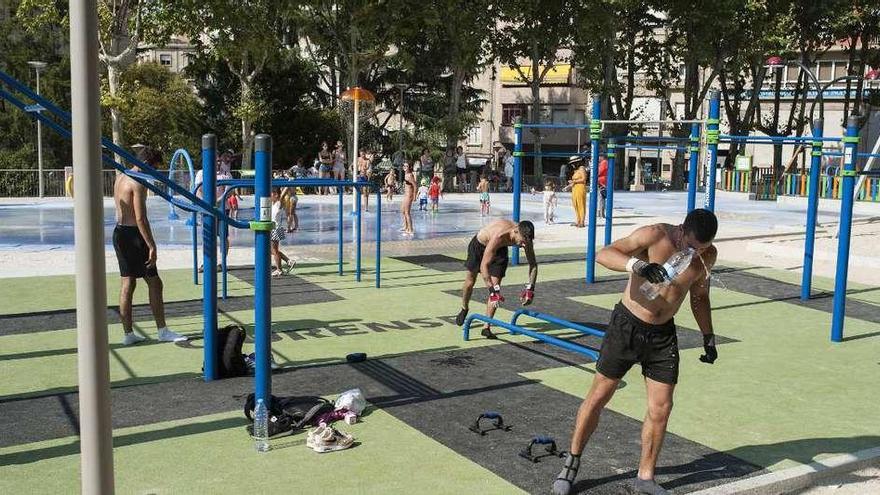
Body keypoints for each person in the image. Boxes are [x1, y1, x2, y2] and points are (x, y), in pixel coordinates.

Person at [552, 209, 719, 495]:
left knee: (661, 407)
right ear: (682, 230)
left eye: (701, 248)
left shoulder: (707, 255)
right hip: (627, 326)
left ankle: (645, 478)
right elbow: (604, 254)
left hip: (662, 335)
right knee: (599, 396)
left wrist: (708, 336)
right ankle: (570, 465)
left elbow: (699, 296)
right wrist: (637, 266)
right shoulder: (655, 235)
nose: (695, 252)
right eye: (691, 245)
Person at [113, 147, 187, 345]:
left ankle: (128, 334)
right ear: (147, 163)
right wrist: (151, 245)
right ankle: (162, 331)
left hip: (120, 233)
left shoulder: (121, 176)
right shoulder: (138, 182)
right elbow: (140, 217)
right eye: (154, 167)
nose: (154, 171)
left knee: (128, 283)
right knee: (154, 282)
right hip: (134, 236)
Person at [454, 219, 538, 338]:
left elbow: (533, 265)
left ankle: (487, 326)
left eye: (526, 242)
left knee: (497, 286)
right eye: (523, 242)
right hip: (480, 246)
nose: (524, 245)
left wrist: (530, 288)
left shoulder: (525, 238)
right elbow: (484, 266)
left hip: (500, 250)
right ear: (515, 232)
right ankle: (464, 308)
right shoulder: (499, 235)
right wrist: (491, 291)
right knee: (470, 281)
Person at [270, 188, 295, 277]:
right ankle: (289, 261)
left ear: (276, 195)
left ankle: (279, 269)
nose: (270, 195)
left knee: (274, 251)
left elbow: (282, 194)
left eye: (272, 193)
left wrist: (287, 185)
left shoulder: (278, 203)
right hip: (274, 229)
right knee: (271, 250)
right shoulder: (272, 204)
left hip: (276, 229)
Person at [564, 159, 587, 228]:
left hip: (580, 188)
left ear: (577, 163)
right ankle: (578, 220)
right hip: (575, 188)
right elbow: (574, 181)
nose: (572, 165)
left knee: (581, 204)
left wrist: (574, 181)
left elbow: (583, 179)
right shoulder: (576, 170)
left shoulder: (582, 168)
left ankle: (582, 222)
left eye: (573, 163)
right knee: (576, 204)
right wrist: (568, 186)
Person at [400, 162, 416, 235]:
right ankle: (406, 227)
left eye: (407, 166)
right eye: (404, 165)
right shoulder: (406, 174)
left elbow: (415, 186)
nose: (405, 167)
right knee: (403, 211)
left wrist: (414, 196)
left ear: (409, 167)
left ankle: (410, 230)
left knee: (407, 212)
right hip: (405, 195)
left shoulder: (409, 175)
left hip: (409, 196)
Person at [597, 154, 609, 219]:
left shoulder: (603, 163)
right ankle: (600, 212)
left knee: (601, 198)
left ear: (602, 157)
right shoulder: (605, 162)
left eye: (599, 157)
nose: (598, 158)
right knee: (601, 198)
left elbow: (599, 172)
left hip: (602, 182)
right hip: (603, 181)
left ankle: (601, 213)